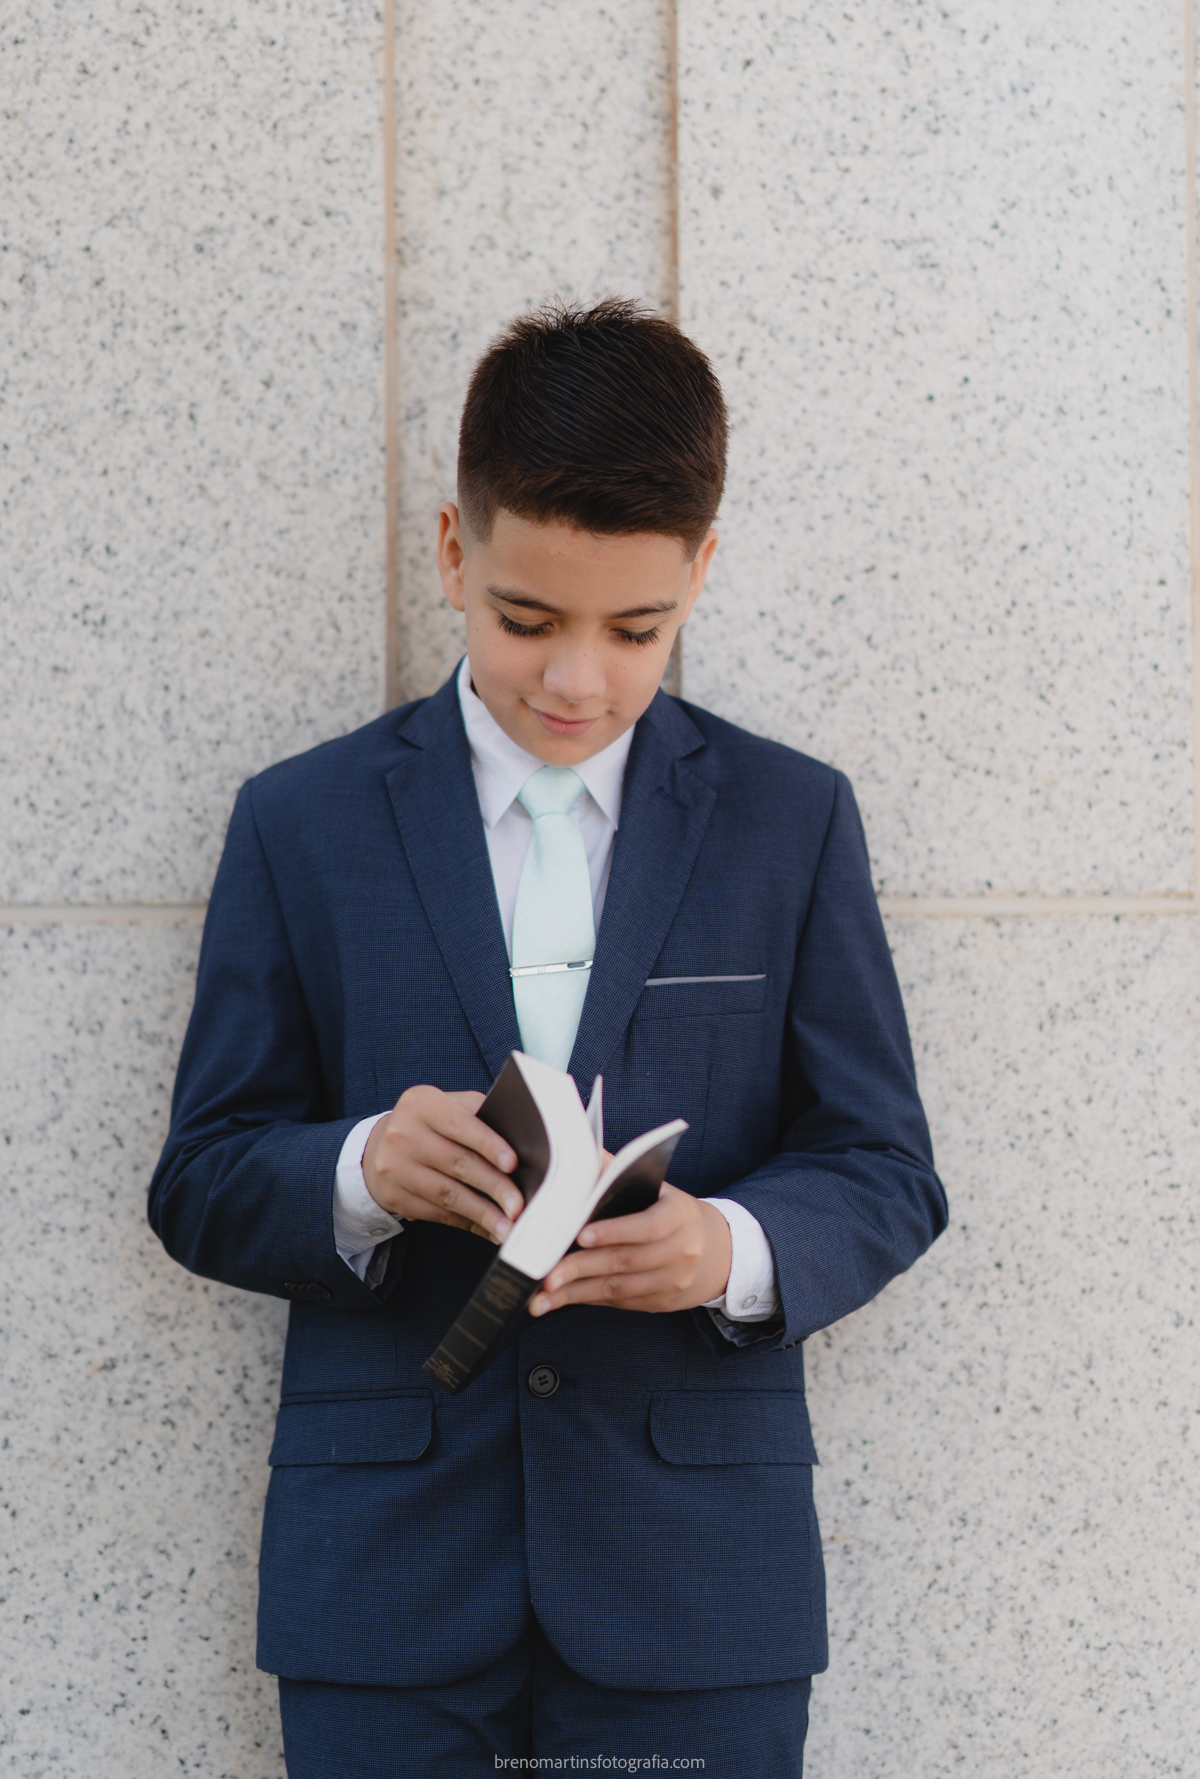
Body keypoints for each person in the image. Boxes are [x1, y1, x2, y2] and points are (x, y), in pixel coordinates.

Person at [149, 297, 947, 1777]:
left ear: (701, 571)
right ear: (456, 553)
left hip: (694, 1584)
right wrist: (361, 1173)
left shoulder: (791, 821)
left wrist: (727, 1250)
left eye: (637, 631)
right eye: (528, 621)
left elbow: (884, 1168)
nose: (577, 680)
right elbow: (200, 1176)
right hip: (384, 1579)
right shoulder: (301, 821)